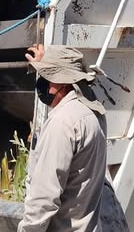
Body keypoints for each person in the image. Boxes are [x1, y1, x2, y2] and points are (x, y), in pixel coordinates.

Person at [18, 44, 107, 232]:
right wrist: (46, 60)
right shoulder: (93, 112)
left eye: (47, 77)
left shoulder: (63, 122)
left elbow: (44, 197)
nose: (43, 84)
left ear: (64, 82)